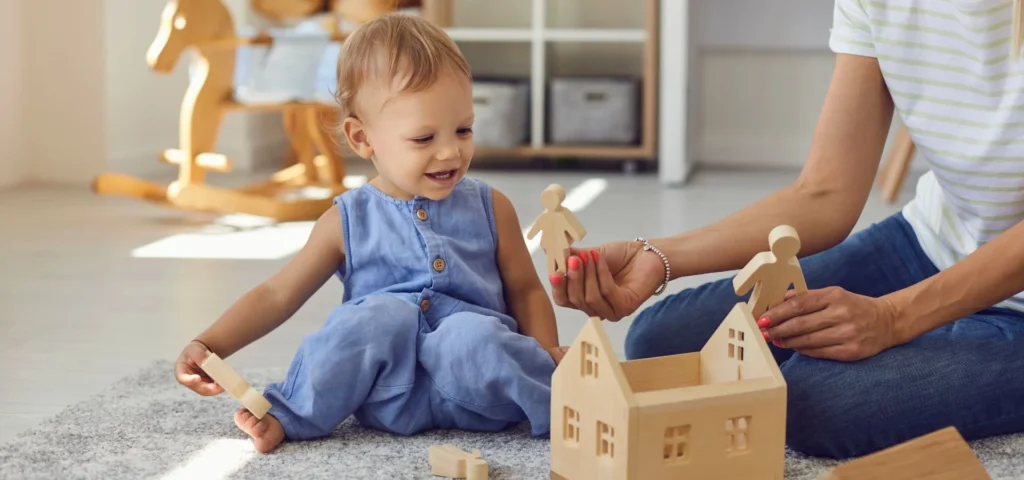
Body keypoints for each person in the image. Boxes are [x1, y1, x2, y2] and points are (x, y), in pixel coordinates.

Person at [550, 0, 1024, 460]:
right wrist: (657, 256)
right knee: (662, 341)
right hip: (930, 244)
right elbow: (825, 192)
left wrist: (895, 319)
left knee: (814, 402)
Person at [172, 14, 565, 453]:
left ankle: (563, 404)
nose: (450, 150)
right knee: (373, 318)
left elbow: (526, 290)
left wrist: (545, 353)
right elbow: (277, 294)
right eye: (423, 138)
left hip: (480, 389)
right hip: (385, 394)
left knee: (471, 333)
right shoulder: (346, 219)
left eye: (463, 129)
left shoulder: (492, 207)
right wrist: (210, 344)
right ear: (362, 138)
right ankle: (290, 415)